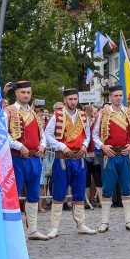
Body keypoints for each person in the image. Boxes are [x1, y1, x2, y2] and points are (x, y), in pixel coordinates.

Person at [43, 88, 96, 238]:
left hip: (79, 159)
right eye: (70, 99)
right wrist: (62, 146)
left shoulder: (83, 116)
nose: (73, 102)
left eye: (75, 99)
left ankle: (81, 224)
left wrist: (85, 145)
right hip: (62, 160)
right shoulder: (57, 115)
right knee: (59, 193)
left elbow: (87, 134)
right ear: (65, 100)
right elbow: (47, 134)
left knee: (79, 192)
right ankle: (54, 227)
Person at [92, 86, 130, 232]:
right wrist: (103, 147)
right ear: (110, 98)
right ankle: (104, 222)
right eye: (115, 96)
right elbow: (94, 134)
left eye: (120, 95)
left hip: (126, 155)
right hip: (109, 155)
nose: (118, 98)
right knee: (107, 188)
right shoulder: (103, 113)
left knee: (127, 187)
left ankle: (129, 221)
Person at [6, 81, 47, 240]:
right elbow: (3, 133)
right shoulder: (8, 112)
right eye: (23, 92)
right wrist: (18, 145)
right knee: (13, 195)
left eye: (28, 92)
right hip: (17, 159)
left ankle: (32, 230)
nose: (26, 95)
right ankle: (12, 231)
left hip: (34, 159)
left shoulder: (35, 114)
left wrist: (43, 145)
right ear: (16, 93)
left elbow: (42, 134)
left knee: (33, 194)